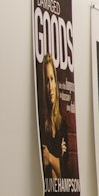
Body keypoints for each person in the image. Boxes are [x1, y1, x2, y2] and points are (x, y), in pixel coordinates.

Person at [38, 52, 71, 181]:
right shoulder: (41, 124)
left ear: (56, 83)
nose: (50, 87)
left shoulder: (62, 124)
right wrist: (58, 161)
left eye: (52, 79)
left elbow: (65, 175)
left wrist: (50, 158)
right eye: (47, 81)